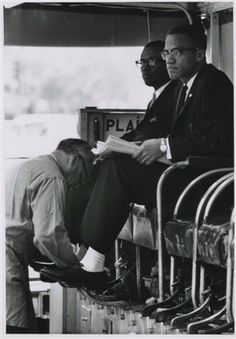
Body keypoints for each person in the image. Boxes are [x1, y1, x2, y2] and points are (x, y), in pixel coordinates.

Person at [41, 26, 233, 293]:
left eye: (176, 52)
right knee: (109, 164)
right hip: (183, 176)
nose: (169, 59)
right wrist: (145, 145)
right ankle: (86, 258)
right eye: (167, 52)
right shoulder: (183, 87)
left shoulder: (215, 84)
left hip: (201, 184)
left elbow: (222, 143)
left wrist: (165, 145)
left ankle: (92, 264)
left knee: (118, 170)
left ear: (200, 53)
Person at [5, 138, 94, 333]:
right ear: (74, 159)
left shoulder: (29, 165)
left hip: (10, 254)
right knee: (16, 328)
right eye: (86, 172)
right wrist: (74, 266)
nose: (81, 180)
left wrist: (44, 260)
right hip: (8, 260)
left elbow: (25, 224)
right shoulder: (52, 177)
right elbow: (48, 235)